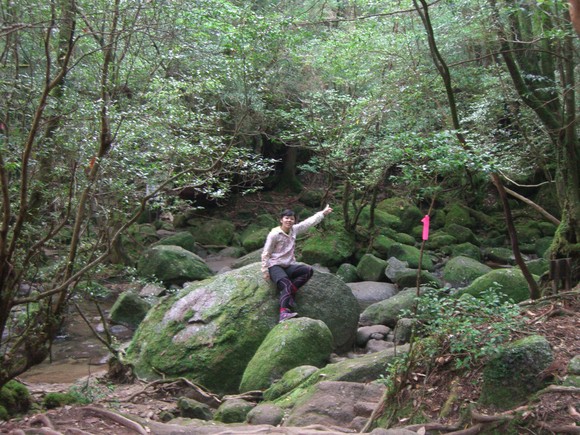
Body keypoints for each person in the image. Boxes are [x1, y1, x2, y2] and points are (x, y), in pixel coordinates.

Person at [261, 204, 333, 322]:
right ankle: (284, 313)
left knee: (308, 271)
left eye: (292, 218)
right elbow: (266, 253)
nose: (289, 220)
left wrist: (323, 213)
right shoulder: (274, 234)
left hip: (288, 265)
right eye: (286, 218)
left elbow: (309, 222)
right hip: (274, 265)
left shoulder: (294, 230)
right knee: (286, 285)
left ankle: (290, 292)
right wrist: (264, 270)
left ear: (294, 220)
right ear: (281, 220)